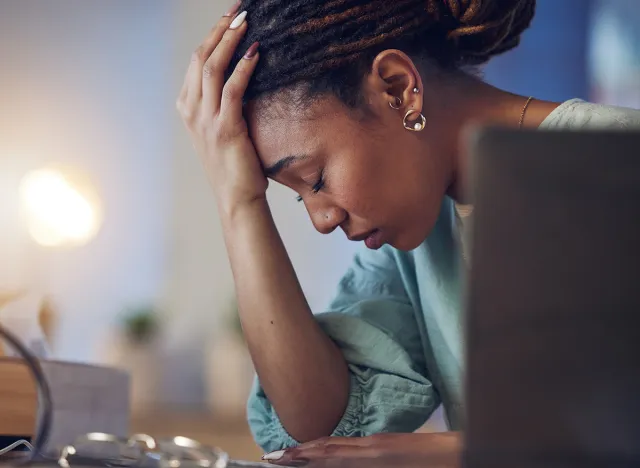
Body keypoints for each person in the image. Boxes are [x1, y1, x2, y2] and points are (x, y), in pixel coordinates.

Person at [176, 0, 640, 465]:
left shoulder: (621, 165)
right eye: (300, 196)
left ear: (398, 88)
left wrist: (463, 454)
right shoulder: (413, 241)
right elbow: (318, 424)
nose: (321, 220)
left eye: (315, 179)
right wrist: (239, 201)